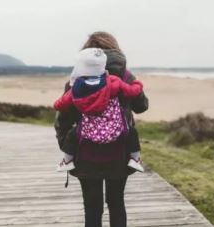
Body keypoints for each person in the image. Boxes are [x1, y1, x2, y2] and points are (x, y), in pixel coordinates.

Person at [54, 32, 149, 227]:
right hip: (119, 152)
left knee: (92, 207)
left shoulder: (76, 80)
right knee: (116, 203)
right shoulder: (125, 76)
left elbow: (63, 118)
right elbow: (142, 106)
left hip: (85, 154)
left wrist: (67, 146)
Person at [54, 47, 144, 173]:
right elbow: (132, 92)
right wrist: (137, 84)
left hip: (87, 131)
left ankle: (67, 161)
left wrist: (60, 103)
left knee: (72, 135)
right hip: (115, 129)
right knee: (132, 133)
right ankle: (135, 159)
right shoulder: (113, 81)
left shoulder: (77, 87)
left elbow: (60, 105)